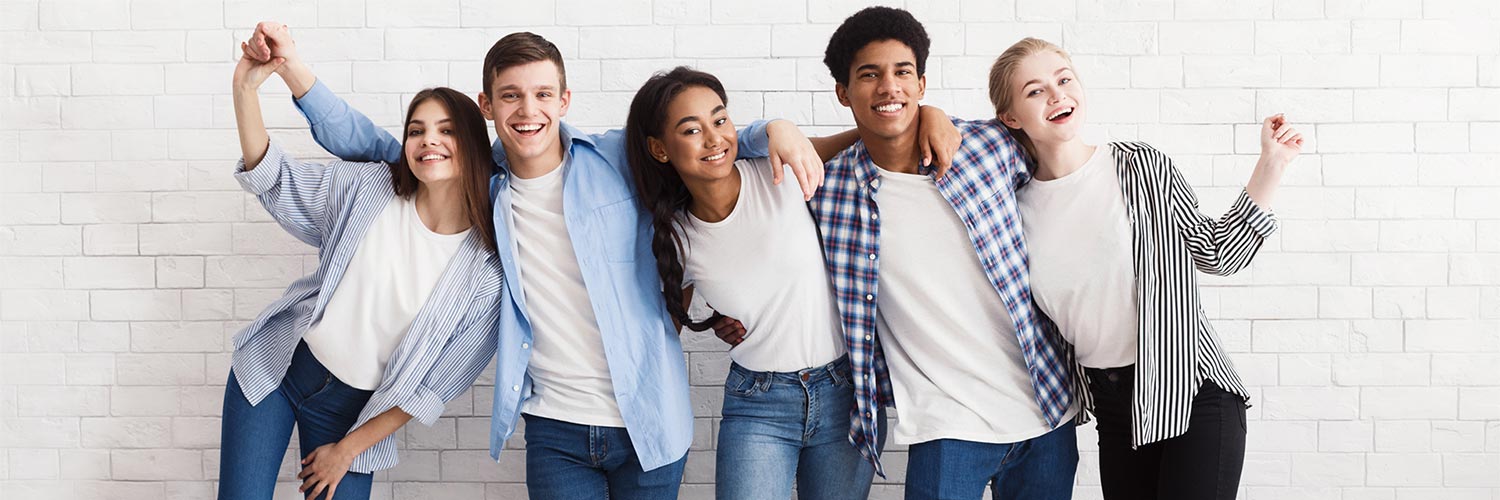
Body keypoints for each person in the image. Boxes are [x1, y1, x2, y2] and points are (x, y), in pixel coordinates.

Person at [241, 22, 831, 499]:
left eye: (543, 93)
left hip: (652, 421)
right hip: (555, 430)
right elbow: (373, 144)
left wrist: (772, 129)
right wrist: (294, 71)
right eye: (512, 95)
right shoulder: (481, 182)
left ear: (565, 99)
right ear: (488, 105)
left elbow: (699, 144)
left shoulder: (617, 160)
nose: (529, 109)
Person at [625, 66, 958, 500]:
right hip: (758, 403)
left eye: (720, 120)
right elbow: (660, 337)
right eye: (691, 130)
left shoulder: (779, 170)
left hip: (845, 394)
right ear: (659, 148)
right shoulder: (676, 238)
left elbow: (873, 137)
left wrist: (928, 112)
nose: (713, 139)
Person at [990, 37, 1302, 500]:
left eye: (1064, 79)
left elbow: (1219, 253)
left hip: (1193, 393)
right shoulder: (1013, 208)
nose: (1057, 95)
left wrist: (1271, 165)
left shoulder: (1137, 166)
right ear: (1011, 117)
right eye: (1035, 91)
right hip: (1116, 411)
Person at [809, 7, 1082, 499]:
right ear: (843, 93)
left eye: (902, 73)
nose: (889, 87)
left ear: (921, 84)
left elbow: (1065, 167)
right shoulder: (827, 191)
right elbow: (730, 165)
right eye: (869, 75)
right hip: (944, 425)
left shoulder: (989, 146)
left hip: (1044, 410)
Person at [220, 33, 502, 500]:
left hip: (352, 419)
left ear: (472, 143)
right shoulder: (371, 188)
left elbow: (429, 389)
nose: (429, 139)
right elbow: (276, 179)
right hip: (282, 368)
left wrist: (346, 450)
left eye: (446, 130)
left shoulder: (486, 272)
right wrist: (245, 91)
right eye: (416, 130)